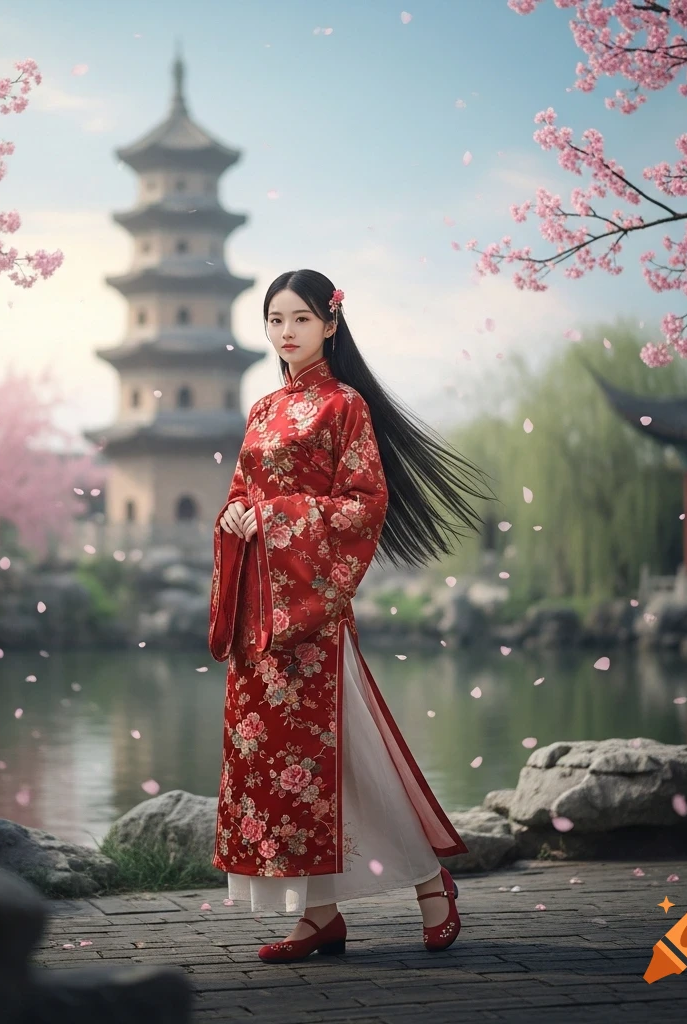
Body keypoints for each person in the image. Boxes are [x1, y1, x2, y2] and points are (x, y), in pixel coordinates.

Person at [208, 269, 492, 963]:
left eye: (300, 319)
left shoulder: (345, 407)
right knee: (274, 765)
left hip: (309, 615)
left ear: (331, 324)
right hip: (260, 619)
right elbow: (239, 497)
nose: (286, 332)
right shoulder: (262, 411)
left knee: (346, 761)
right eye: (275, 320)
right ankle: (319, 917)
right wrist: (236, 518)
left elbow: (364, 506)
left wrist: (273, 519)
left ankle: (431, 884)